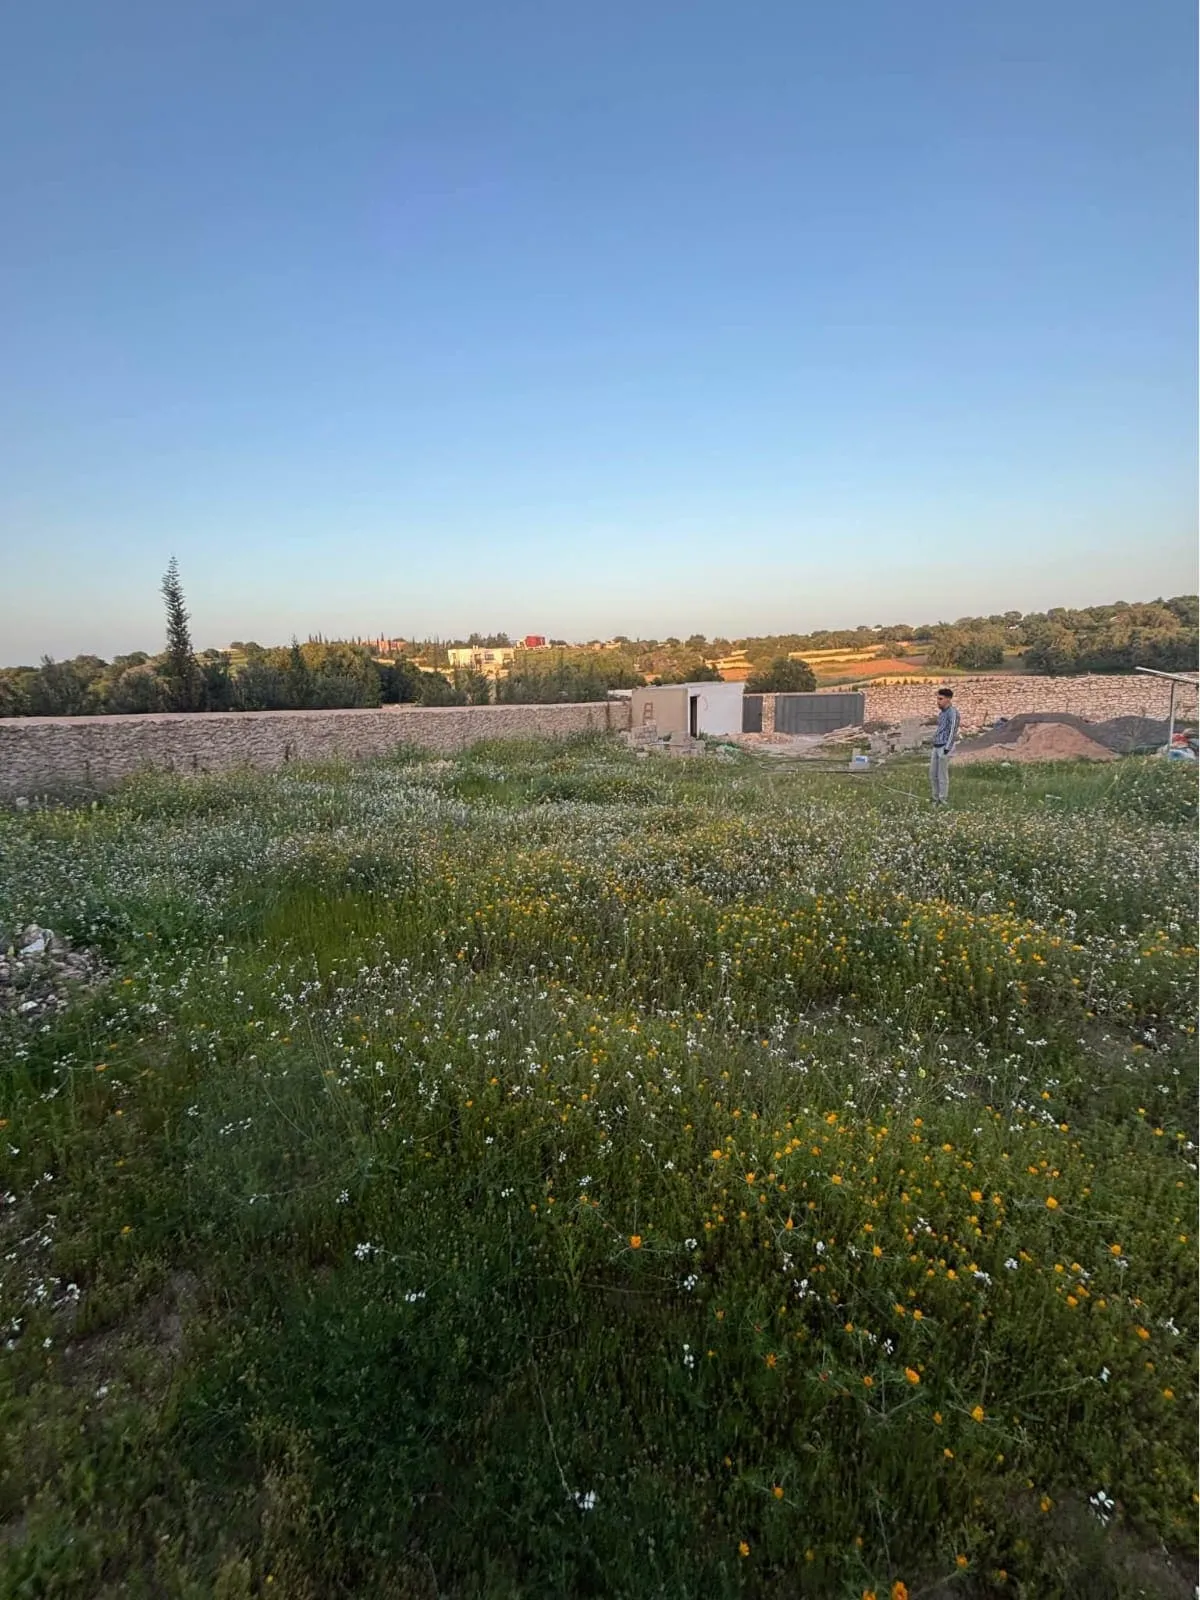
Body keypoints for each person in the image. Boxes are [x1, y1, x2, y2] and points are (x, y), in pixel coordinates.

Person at [930, 687, 960, 805]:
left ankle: (943, 800)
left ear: (948, 699)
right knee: (933, 774)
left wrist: (947, 748)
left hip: (944, 747)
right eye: (937, 699)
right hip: (936, 746)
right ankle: (935, 798)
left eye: (941, 699)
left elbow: (953, 731)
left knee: (942, 775)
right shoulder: (941, 713)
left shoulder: (953, 713)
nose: (938, 701)